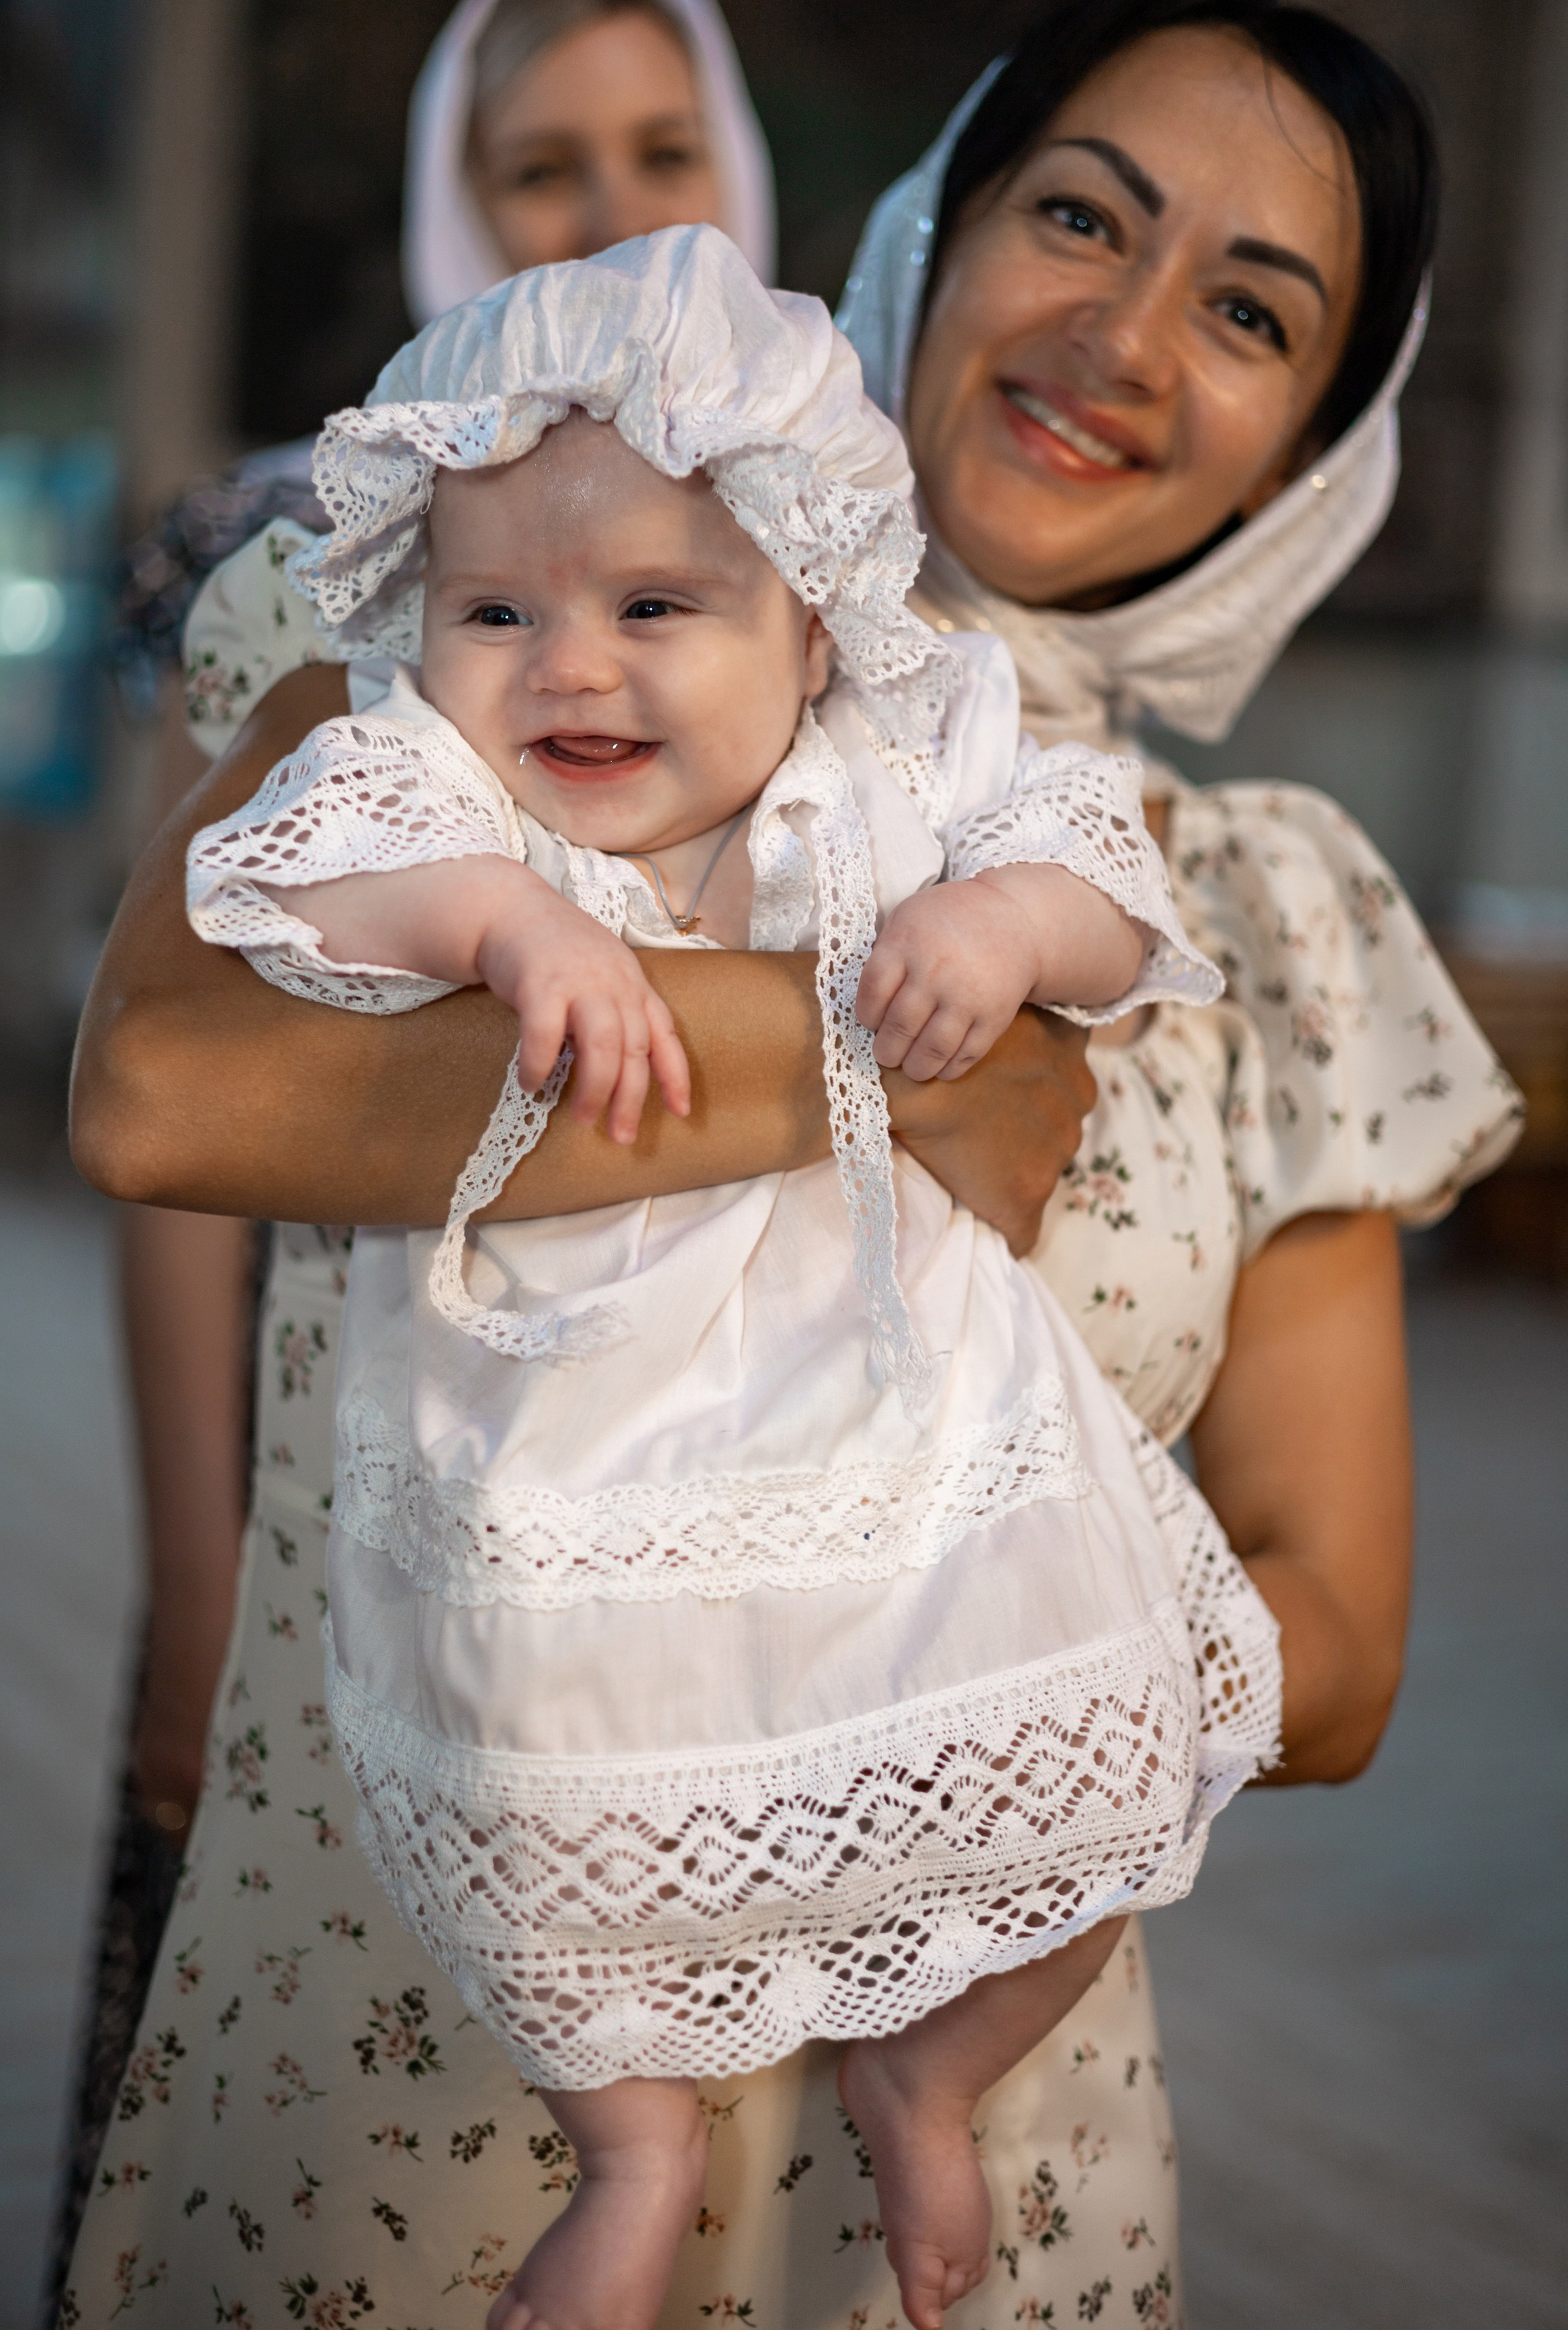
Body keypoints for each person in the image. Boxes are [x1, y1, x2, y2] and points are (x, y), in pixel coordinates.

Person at [62, 0, 1520, 2327]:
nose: (1130, 339)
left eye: (1251, 311)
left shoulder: (1256, 905)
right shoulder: (476, 601)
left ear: (1311, 452)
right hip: (413, 2066)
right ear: (937, 218)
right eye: (1082, 215)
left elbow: (1335, 1639)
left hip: (955, 2152)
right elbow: (161, 1086)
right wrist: (886, 1062)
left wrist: (956, 1673)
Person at [182, 225, 1271, 2330]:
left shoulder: (904, 759)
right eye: (499, 609)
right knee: (546, 1804)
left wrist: (1009, 937)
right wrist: (508, 924)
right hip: (571, 1455)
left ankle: (928, 2078)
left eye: (656, 607)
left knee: (1129, 1739)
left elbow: (1115, 896)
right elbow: (294, 866)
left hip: (896, 1434)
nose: (570, 668)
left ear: (817, 618)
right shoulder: (450, 788)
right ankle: (635, 2147)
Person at [48, 0, 776, 2294]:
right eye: (535, 163)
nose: (603, 206)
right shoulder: (310, 545)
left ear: (737, 172)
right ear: (450, 201)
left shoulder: (802, 532)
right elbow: (178, 1092)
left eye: (659, 152)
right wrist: (189, 1578)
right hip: (364, 1437)